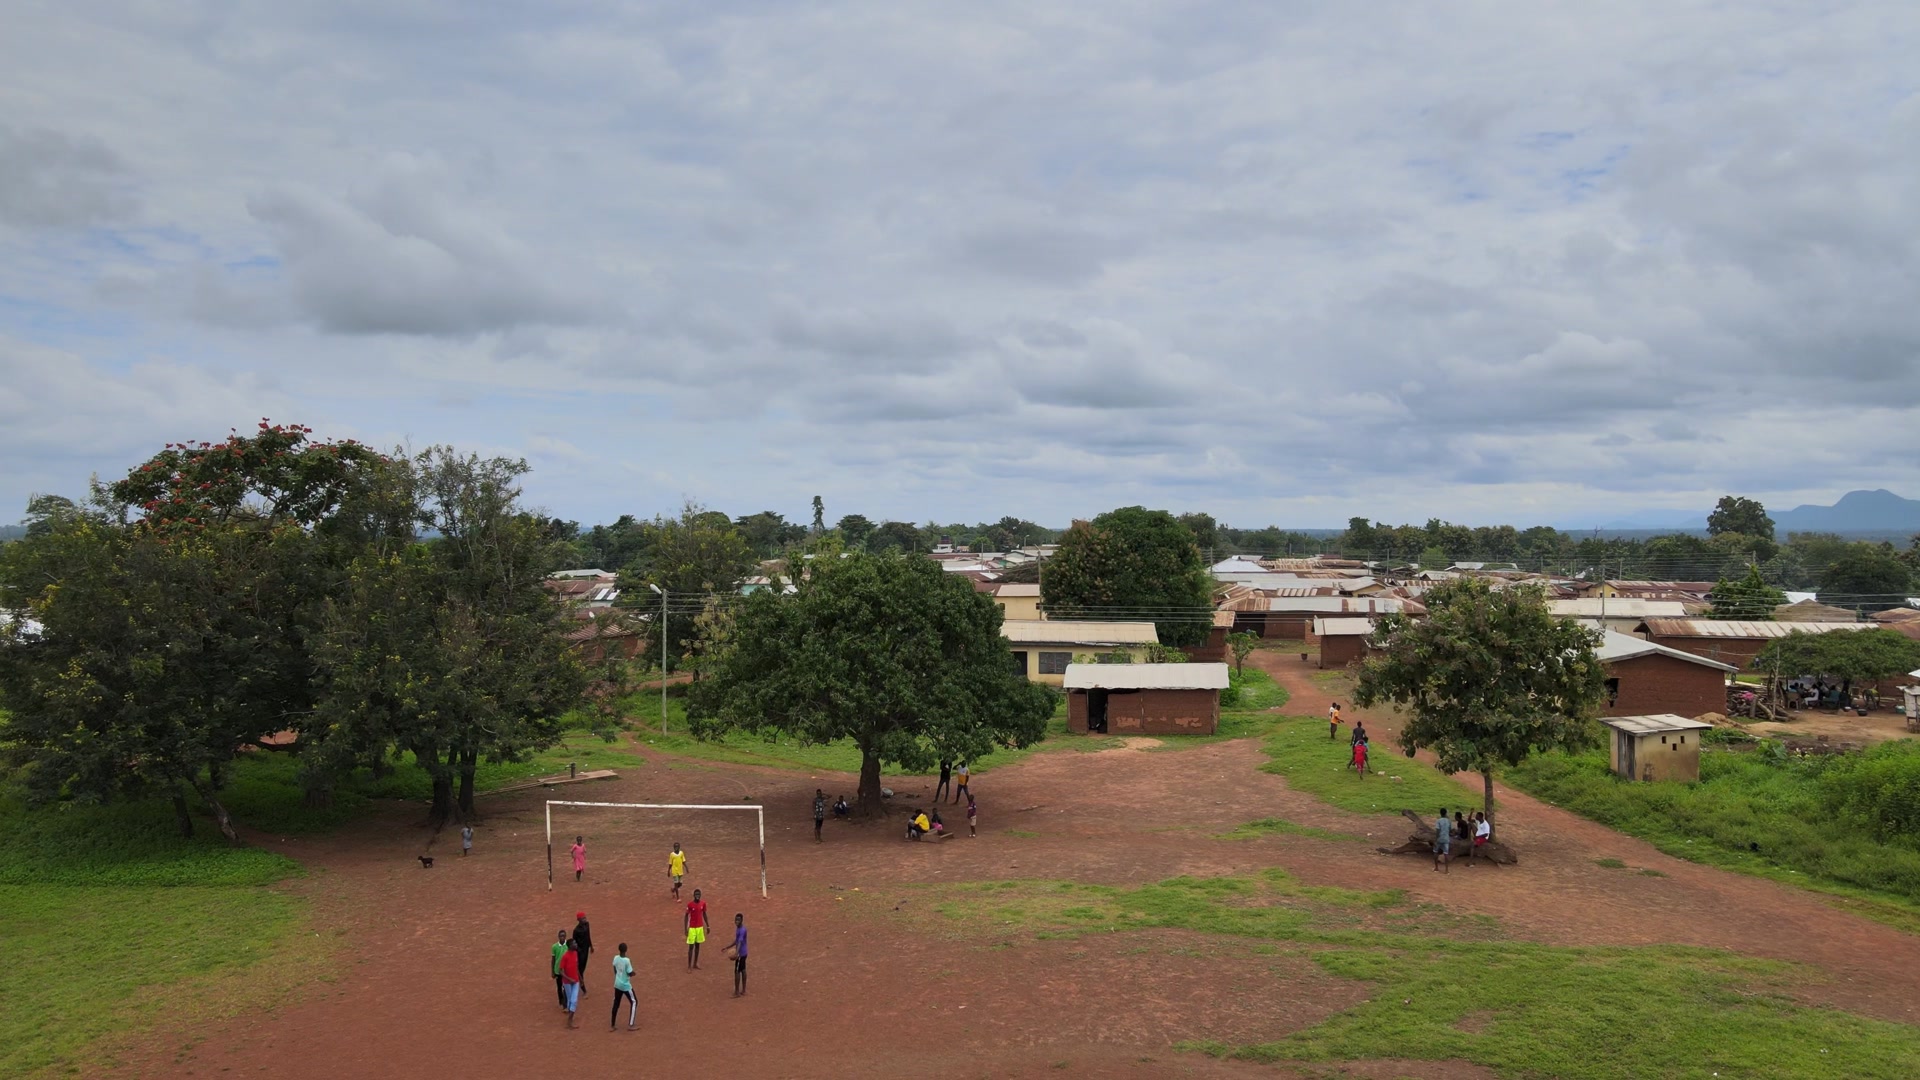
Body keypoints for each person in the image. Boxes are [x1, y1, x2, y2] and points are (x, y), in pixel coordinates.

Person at [609, 943, 636, 1030]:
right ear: (626, 950)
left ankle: (613, 1024)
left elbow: (614, 968)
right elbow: (629, 972)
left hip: (617, 984)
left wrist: (617, 976)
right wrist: (633, 974)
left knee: (616, 1003)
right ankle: (631, 1025)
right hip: (625, 985)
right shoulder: (627, 960)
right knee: (634, 1002)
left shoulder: (616, 958)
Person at [722, 912, 749, 997]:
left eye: (738, 920)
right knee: (743, 970)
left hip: (740, 954)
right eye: (736, 920)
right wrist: (728, 947)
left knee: (737, 971)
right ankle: (744, 990)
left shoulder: (741, 930)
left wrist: (736, 953)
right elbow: (736, 941)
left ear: (742, 920)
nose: (736, 921)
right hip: (744, 953)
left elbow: (740, 942)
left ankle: (737, 992)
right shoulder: (741, 928)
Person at [685, 888, 710, 971]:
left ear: (700, 895)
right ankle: (689, 966)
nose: (697, 896)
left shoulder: (703, 904)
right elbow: (686, 916)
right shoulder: (690, 905)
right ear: (694, 895)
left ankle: (695, 963)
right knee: (691, 947)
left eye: (699, 894)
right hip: (692, 928)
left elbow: (704, 915)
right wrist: (686, 929)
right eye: (696, 894)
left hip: (700, 928)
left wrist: (708, 926)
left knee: (697, 947)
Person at [559, 940, 581, 1027]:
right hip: (567, 982)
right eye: (574, 943)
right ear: (570, 946)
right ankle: (570, 1018)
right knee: (569, 1000)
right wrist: (569, 979)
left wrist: (580, 978)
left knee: (574, 1000)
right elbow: (561, 971)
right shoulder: (565, 957)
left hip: (575, 981)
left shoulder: (575, 953)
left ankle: (569, 1021)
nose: (576, 944)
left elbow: (576, 967)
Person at [572, 911, 594, 997]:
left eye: (585, 917)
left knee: (582, 969)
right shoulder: (576, 930)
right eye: (583, 918)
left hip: (586, 950)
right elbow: (574, 943)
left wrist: (591, 946)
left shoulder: (587, 925)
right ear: (579, 920)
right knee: (580, 971)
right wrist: (578, 952)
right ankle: (583, 989)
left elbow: (588, 935)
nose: (585, 919)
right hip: (580, 952)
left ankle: (578, 983)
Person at [550, 930, 570, 1008]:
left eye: (563, 936)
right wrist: (552, 971)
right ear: (558, 937)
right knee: (559, 986)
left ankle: (566, 1002)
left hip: (566, 971)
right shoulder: (554, 947)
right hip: (558, 970)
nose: (562, 937)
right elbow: (553, 959)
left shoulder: (568, 946)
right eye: (561, 936)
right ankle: (561, 1001)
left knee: (566, 986)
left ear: (565, 937)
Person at [1433, 807, 1452, 874]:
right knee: (1446, 854)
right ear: (1446, 813)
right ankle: (1446, 870)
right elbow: (1450, 830)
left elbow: (1438, 830)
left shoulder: (1438, 821)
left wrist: (1436, 839)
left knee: (1436, 852)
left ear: (1440, 813)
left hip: (1439, 838)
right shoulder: (1448, 821)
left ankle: (1436, 868)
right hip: (1446, 839)